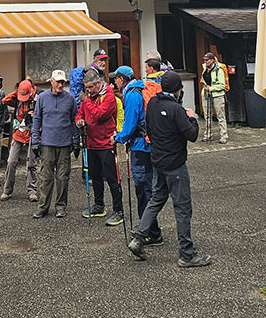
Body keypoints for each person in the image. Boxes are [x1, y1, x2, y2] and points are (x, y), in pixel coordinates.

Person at [127, 71, 211, 267]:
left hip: (157, 161)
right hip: (175, 164)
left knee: (156, 199)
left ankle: (139, 237)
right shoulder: (176, 109)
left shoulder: (153, 104)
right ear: (178, 90)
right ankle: (186, 254)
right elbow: (192, 135)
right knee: (182, 207)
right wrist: (192, 118)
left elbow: (148, 128)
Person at [114, 65, 162, 245]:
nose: (114, 82)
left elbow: (130, 125)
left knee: (144, 190)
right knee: (146, 189)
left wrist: (118, 137)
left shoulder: (133, 95)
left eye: (116, 78)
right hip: (146, 144)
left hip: (142, 147)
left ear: (121, 79)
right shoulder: (138, 90)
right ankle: (149, 229)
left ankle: (151, 232)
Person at [76, 68, 124, 226]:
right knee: (95, 176)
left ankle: (118, 210)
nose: (88, 91)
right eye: (86, 88)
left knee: (111, 177)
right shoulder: (89, 99)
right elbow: (80, 113)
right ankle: (99, 206)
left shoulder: (109, 97)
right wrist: (79, 121)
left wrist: (86, 100)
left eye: (90, 87)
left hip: (106, 143)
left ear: (98, 84)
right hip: (91, 143)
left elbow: (99, 114)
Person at [31, 69, 78, 219]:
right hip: (47, 143)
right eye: (57, 81)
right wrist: (34, 141)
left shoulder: (70, 98)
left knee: (63, 178)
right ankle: (43, 207)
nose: (60, 84)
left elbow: (74, 121)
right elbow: (37, 119)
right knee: (45, 177)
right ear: (51, 81)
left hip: (64, 143)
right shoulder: (42, 98)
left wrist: (76, 141)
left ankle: (61, 206)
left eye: (62, 82)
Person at [0, 79, 38, 202]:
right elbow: (4, 100)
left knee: (32, 163)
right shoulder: (16, 98)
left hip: (32, 133)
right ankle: (7, 190)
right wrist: (17, 93)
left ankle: (32, 190)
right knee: (11, 161)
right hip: (18, 133)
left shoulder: (38, 97)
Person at [201, 52, 228, 143]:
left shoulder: (218, 70)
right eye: (204, 60)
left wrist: (211, 88)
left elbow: (222, 85)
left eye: (207, 60)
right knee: (207, 116)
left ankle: (224, 136)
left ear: (212, 60)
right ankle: (208, 134)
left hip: (218, 95)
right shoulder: (204, 69)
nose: (205, 61)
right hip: (206, 94)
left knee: (220, 116)